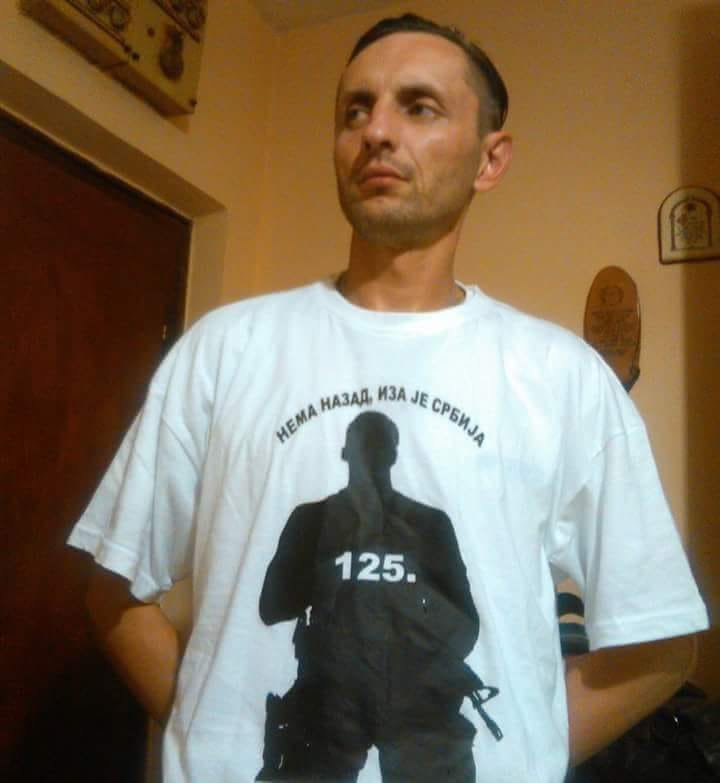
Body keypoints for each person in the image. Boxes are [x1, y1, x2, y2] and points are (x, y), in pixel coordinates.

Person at [70, 12, 709, 783]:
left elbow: (658, 644)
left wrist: (524, 756)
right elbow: (120, 590)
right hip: (314, 725)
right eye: (355, 110)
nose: (376, 131)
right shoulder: (225, 350)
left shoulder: (562, 377)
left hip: (430, 725)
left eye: (419, 106)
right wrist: (211, 740)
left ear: (490, 158)